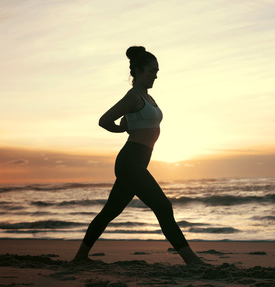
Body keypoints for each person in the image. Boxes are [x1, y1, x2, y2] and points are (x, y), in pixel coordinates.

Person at [73, 46, 204, 265]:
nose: (156, 75)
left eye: (157, 71)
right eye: (152, 71)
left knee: (110, 212)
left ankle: (80, 257)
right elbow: (104, 120)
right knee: (163, 206)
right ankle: (192, 260)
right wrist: (121, 129)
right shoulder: (133, 97)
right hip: (130, 161)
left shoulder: (147, 97)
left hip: (137, 161)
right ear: (138, 72)